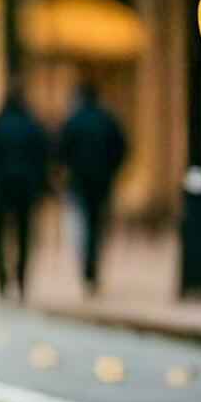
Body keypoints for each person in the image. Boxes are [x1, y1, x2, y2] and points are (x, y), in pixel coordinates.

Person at [57, 81, 126, 292]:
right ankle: (93, 266)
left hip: (80, 181)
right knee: (97, 224)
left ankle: (88, 266)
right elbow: (120, 148)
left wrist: (69, 169)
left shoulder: (73, 120)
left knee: (84, 223)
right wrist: (111, 170)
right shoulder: (107, 119)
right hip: (102, 180)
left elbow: (62, 149)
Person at [0, 89, 49, 300]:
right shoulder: (33, 126)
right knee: (24, 234)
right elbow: (42, 157)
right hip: (25, 187)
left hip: (1, 186)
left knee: (0, 233)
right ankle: (21, 278)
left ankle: (2, 278)